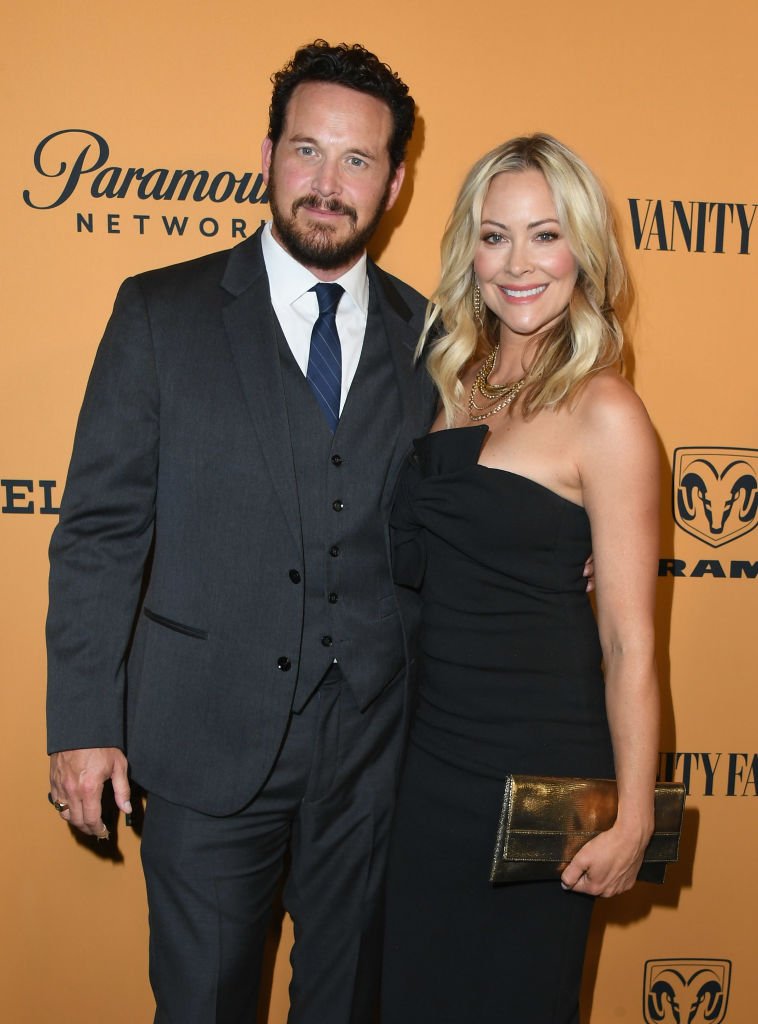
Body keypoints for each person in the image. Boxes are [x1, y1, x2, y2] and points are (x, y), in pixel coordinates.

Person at [45, 40, 437, 1024]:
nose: (326, 184)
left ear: (392, 183)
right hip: (203, 740)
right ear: (265, 156)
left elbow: (456, 520)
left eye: (356, 162)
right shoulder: (160, 312)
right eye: (307, 151)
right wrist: (85, 721)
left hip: (372, 752)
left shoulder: (430, 337)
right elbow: (99, 530)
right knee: (205, 1005)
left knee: (350, 1004)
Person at [381, 134, 660, 1023]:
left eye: (546, 235)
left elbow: (629, 639)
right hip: (424, 767)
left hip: (536, 780)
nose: (518, 263)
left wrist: (635, 816)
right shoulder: (446, 376)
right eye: (495, 235)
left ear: (585, 250)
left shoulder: (603, 409)